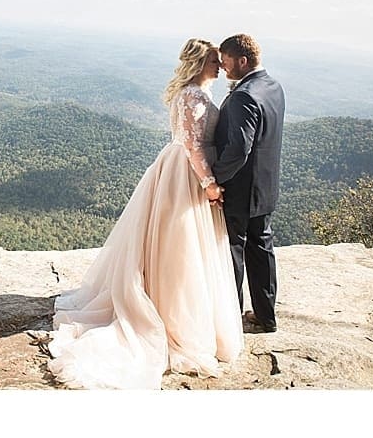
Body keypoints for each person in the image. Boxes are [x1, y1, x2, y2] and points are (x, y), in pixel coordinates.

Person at [45, 38, 243, 389]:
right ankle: (170, 316)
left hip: (184, 172)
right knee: (179, 248)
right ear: (200, 63)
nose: (219, 65)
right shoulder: (193, 96)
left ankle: (175, 309)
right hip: (186, 175)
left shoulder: (197, 92)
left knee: (182, 247)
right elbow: (193, 146)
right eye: (214, 60)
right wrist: (210, 184)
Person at [212, 33, 287, 334]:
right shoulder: (273, 86)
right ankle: (266, 317)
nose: (223, 68)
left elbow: (239, 148)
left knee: (234, 250)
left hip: (241, 188)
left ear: (242, 61)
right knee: (262, 247)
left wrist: (213, 178)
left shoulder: (244, 95)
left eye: (227, 62)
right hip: (265, 186)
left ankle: (231, 319)